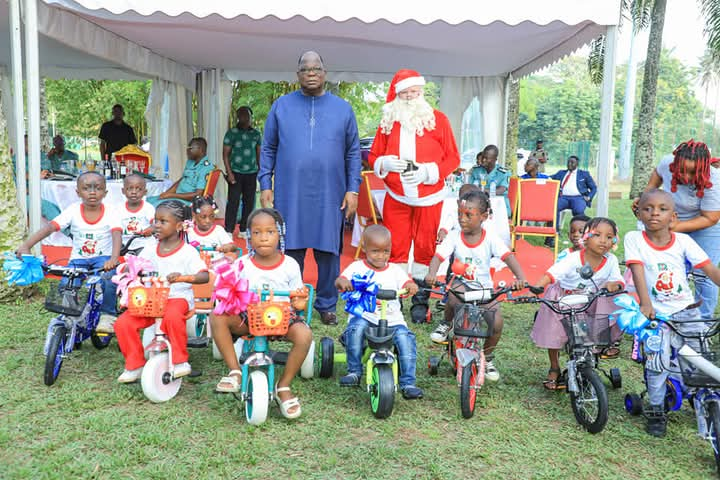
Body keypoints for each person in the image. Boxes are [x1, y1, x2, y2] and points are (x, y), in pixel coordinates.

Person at [259, 51, 361, 326]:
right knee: (291, 247)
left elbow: (353, 152)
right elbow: (268, 147)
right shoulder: (281, 106)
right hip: (290, 192)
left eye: (316, 68)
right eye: (306, 69)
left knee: (329, 249)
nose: (311, 73)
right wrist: (264, 182)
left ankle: (327, 304)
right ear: (298, 75)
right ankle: (291, 301)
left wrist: (353, 189)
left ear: (325, 73)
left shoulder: (343, 109)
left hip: (331, 191)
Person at [625, 189, 720, 436]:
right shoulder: (634, 239)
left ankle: (704, 402)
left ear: (673, 216)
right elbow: (636, 269)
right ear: (639, 212)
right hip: (657, 317)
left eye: (662, 209)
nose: (655, 213)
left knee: (701, 361)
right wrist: (645, 304)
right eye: (648, 208)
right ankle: (656, 409)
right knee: (657, 365)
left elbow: (710, 269)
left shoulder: (684, 241)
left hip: (687, 311)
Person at [368, 68, 460, 324]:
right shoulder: (388, 123)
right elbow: (373, 156)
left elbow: (453, 158)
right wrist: (384, 162)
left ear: (421, 92)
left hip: (430, 196)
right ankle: (394, 299)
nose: (410, 97)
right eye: (405, 93)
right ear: (397, 95)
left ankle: (420, 301)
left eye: (414, 92)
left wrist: (429, 172)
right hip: (396, 196)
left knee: (425, 247)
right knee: (394, 247)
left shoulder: (438, 120)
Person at [210, 208, 312, 419]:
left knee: (304, 335)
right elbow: (230, 292)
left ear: (280, 234)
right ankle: (235, 371)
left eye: (270, 232)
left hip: (283, 317)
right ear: (248, 236)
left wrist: (299, 301)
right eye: (257, 232)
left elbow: (299, 303)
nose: (263, 237)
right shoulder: (242, 264)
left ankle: (283, 385)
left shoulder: (290, 264)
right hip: (250, 316)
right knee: (217, 316)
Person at [425, 190, 527, 381]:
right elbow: (438, 257)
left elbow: (508, 257)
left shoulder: (491, 239)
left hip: (483, 289)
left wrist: (521, 277)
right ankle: (446, 324)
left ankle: (487, 358)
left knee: (496, 322)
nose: (462, 219)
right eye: (460, 214)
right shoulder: (455, 236)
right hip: (462, 284)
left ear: (484, 216)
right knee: (454, 293)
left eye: (468, 215)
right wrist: (432, 273)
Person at [114, 200, 209, 383]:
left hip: (177, 298)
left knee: (173, 316)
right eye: (155, 220)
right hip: (152, 301)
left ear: (179, 226)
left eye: (163, 221)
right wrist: (128, 270)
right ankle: (135, 364)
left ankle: (180, 361)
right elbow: (136, 266)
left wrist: (183, 277)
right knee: (123, 323)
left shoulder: (187, 252)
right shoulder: (150, 249)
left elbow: (203, 276)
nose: (156, 225)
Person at [16, 171, 121, 330]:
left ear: (105, 192)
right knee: (66, 284)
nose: (92, 192)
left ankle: (108, 315)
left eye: (98, 188)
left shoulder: (111, 211)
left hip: (103, 259)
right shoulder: (73, 210)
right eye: (86, 188)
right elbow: (51, 227)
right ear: (78, 192)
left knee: (109, 279)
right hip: (78, 259)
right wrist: (27, 245)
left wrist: (114, 258)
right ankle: (72, 314)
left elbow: (116, 234)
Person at [530, 217, 624, 390]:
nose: (603, 241)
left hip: (588, 299)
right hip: (564, 297)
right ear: (586, 238)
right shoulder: (573, 258)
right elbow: (553, 273)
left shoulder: (610, 260)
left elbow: (618, 279)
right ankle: (554, 366)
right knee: (555, 333)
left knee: (596, 322)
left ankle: (592, 354)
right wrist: (539, 286)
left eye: (609, 237)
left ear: (614, 241)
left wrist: (615, 284)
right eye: (597, 235)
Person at [632, 140, 720, 320]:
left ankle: (702, 322)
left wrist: (674, 227)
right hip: (671, 218)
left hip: (706, 226)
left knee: (703, 274)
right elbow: (657, 175)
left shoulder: (714, 179)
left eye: (692, 172)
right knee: (668, 268)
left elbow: (711, 217)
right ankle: (669, 314)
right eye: (683, 171)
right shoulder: (667, 163)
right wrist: (646, 197)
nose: (686, 177)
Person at [335, 225, 423, 399]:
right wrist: (343, 282)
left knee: (405, 339)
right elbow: (341, 278)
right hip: (366, 316)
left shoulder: (395, 270)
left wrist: (410, 286)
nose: (381, 256)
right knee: (356, 328)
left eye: (386, 251)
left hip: (392, 320)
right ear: (364, 248)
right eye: (375, 251)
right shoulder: (357, 267)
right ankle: (354, 371)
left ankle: (408, 382)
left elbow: (407, 283)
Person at [223, 106, 262, 239]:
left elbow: (259, 154)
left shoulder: (256, 134)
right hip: (235, 172)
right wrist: (229, 173)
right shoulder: (231, 133)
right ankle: (228, 229)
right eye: (241, 115)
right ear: (238, 117)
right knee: (233, 201)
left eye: (247, 115)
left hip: (252, 172)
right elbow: (225, 155)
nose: (244, 118)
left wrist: (260, 171)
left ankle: (244, 229)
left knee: (249, 202)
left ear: (251, 117)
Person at [148, 137, 214, 207]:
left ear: (200, 149)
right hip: (177, 196)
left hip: (187, 202)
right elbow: (182, 180)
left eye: (190, 148)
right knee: (148, 200)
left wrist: (171, 195)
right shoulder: (190, 162)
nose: (187, 150)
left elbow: (198, 195)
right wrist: (166, 193)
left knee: (155, 206)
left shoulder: (206, 168)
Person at [548, 156, 597, 247]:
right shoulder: (561, 173)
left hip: (578, 197)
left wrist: (589, 197)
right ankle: (553, 235)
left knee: (578, 211)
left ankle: (581, 235)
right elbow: (549, 178)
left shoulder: (584, 174)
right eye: (568, 162)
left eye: (572, 162)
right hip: (563, 198)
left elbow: (594, 187)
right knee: (554, 208)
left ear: (577, 164)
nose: (569, 164)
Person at [186, 195, 236, 264]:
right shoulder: (189, 232)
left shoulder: (218, 230)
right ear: (194, 215)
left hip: (218, 264)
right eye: (203, 217)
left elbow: (233, 246)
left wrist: (227, 247)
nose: (208, 220)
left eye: (212, 216)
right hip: (197, 266)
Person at [118, 173, 155, 252]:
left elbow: (156, 224)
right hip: (125, 245)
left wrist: (151, 229)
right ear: (123, 191)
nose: (134, 192)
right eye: (130, 188)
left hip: (144, 244)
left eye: (138, 189)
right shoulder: (118, 209)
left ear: (145, 192)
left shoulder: (148, 208)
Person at [469, 145, 510, 214]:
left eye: (487, 158)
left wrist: (480, 190)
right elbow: (469, 187)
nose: (483, 160)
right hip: (478, 206)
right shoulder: (476, 171)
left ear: (495, 159)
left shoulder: (503, 173)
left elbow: (500, 190)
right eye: (483, 157)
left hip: (498, 208)